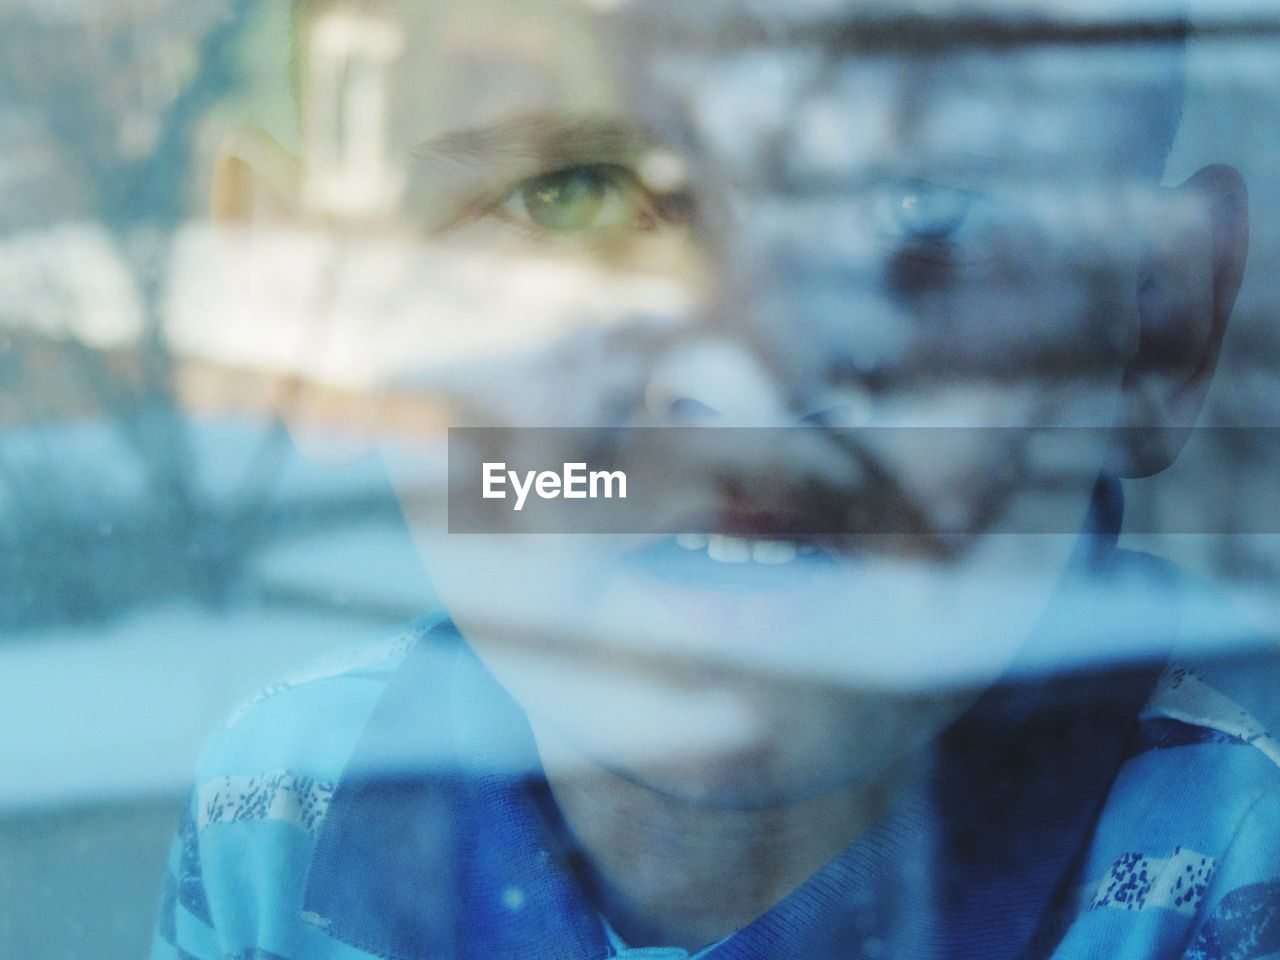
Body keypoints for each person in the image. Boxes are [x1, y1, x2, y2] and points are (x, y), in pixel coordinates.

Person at [153, 1, 1279, 958]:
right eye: (570, 195)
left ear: (1157, 326)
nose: (745, 381)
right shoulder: (285, 810)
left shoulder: (1242, 863)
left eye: (916, 210)